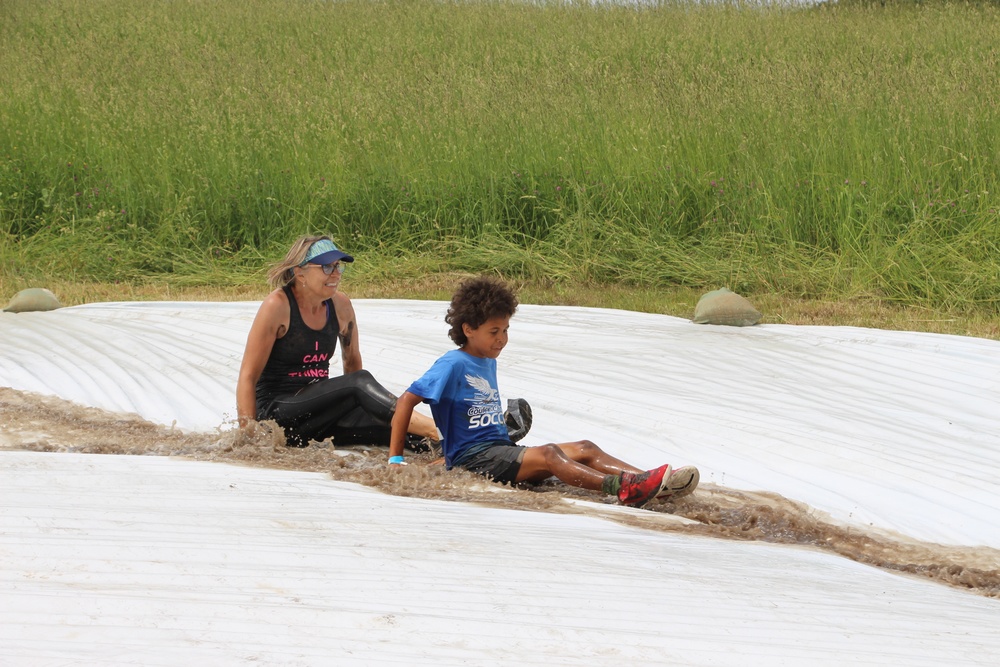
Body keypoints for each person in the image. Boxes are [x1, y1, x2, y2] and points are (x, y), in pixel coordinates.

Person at [388, 276, 699, 507]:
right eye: (494, 332)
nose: (502, 339)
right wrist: (396, 460)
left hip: (498, 452)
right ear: (468, 329)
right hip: (474, 459)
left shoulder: (486, 361)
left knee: (585, 447)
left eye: (506, 330)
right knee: (550, 454)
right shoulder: (452, 363)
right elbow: (405, 401)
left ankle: (654, 483)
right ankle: (623, 488)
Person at [236, 234, 441, 448]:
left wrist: (363, 409)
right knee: (359, 382)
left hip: (320, 415)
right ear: (300, 272)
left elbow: (352, 363)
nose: (335, 274)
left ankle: (458, 447)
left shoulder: (340, 305)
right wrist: (248, 437)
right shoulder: (277, 306)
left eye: (338, 266)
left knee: (397, 432)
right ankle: (438, 429)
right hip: (278, 415)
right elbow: (248, 376)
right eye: (326, 267)